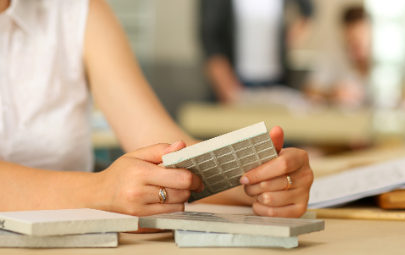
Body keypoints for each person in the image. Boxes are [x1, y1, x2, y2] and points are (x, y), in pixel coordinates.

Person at [0, 0, 313, 219]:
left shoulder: (76, 10)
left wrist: (259, 183)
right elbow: (108, 190)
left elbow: (158, 143)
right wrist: (99, 190)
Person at [199, 0, 313, 104]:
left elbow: (308, 9)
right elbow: (211, 39)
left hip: (276, 82)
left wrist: (293, 35)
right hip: (236, 83)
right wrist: (226, 88)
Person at [305, 6, 371, 108]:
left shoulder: (385, 58)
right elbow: (309, 91)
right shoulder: (330, 57)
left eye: (361, 39)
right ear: (343, 34)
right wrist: (332, 94)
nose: (356, 45)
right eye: (352, 40)